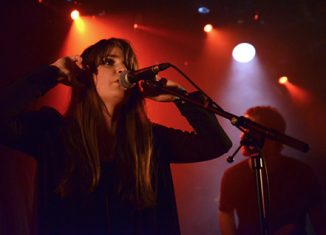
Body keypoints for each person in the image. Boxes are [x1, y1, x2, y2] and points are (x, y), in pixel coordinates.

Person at [0, 38, 232, 235]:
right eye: (109, 62)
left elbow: (215, 144)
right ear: (87, 75)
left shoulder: (150, 139)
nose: (123, 70)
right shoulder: (52, 132)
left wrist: (180, 96)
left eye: (127, 65)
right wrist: (50, 74)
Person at [218, 106, 325, 235]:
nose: (243, 135)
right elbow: (226, 214)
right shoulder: (233, 175)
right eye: (242, 129)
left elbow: (319, 217)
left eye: (248, 129)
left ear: (271, 136)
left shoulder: (302, 172)